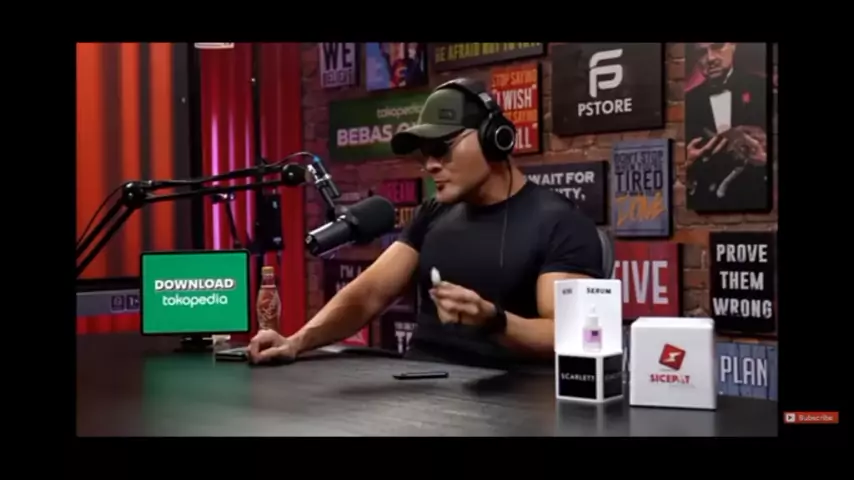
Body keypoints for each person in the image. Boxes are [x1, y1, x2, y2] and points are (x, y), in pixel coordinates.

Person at [249, 79, 604, 369]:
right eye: (424, 153)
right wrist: (296, 342)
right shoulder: (433, 213)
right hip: (421, 390)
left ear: (495, 139)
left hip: (509, 401)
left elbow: (567, 334)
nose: (431, 164)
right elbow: (369, 294)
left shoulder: (560, 223)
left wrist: (493, 320)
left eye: (442, 148)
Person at [685, 42, 769, 212]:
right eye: (701, 53)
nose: (710, 58)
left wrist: (765, 159)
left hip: (755, 199)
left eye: (717, 46)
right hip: (704, 206)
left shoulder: (762, 88)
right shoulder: (688, 101)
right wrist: (686, 164)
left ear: (734, 45)